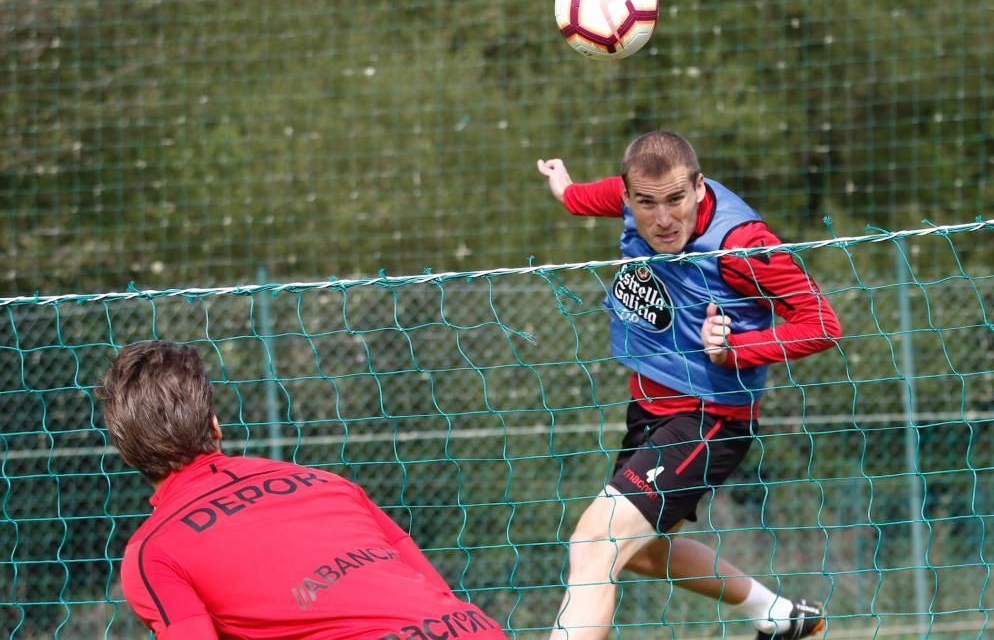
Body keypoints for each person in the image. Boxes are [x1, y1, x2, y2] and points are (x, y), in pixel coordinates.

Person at [536, 131, 841, 640]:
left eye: (677, 199)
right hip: (650, 409)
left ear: (699, 187)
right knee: (645, 553)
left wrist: (735, 349)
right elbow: (586, 198)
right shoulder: (633, 198)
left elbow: (823, 323)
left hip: (710, 419)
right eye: (647, 203)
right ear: (629, 198)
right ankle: (779, 616)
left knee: (595, 544)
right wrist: (565, 187)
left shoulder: (742, 245)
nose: (662, 219)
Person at [98, 340, 506, 640]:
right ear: (215, 426)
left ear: (128, 455)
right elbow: (434, 588)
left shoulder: (154, 553)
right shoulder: (326, 483)